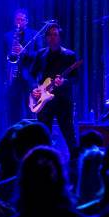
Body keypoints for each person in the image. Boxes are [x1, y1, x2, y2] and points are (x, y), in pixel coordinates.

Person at [30, 24, 79, 153]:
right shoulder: (40, 54)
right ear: (46, 38)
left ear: (60, 37)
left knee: (69, 133)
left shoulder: (69, 55)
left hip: (63, 100)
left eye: (55, 34)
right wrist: (34, 88)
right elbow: (32, 75)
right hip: (43, 101)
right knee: (43, 135)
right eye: (49, 35)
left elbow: (76, 78)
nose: (52, 37)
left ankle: (75, 162)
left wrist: (64, 82)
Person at [3, 8, 42, 125]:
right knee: (13, 107)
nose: (19, 21)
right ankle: (13, 131)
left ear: (27, 21)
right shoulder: (8, 36)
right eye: (17, 19)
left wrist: (24, 52)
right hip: (12, 75)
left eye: (22, 19)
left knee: (30, 107)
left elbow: (40, 56)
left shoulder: (35, 35)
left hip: (29, 76)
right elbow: (4, 55)